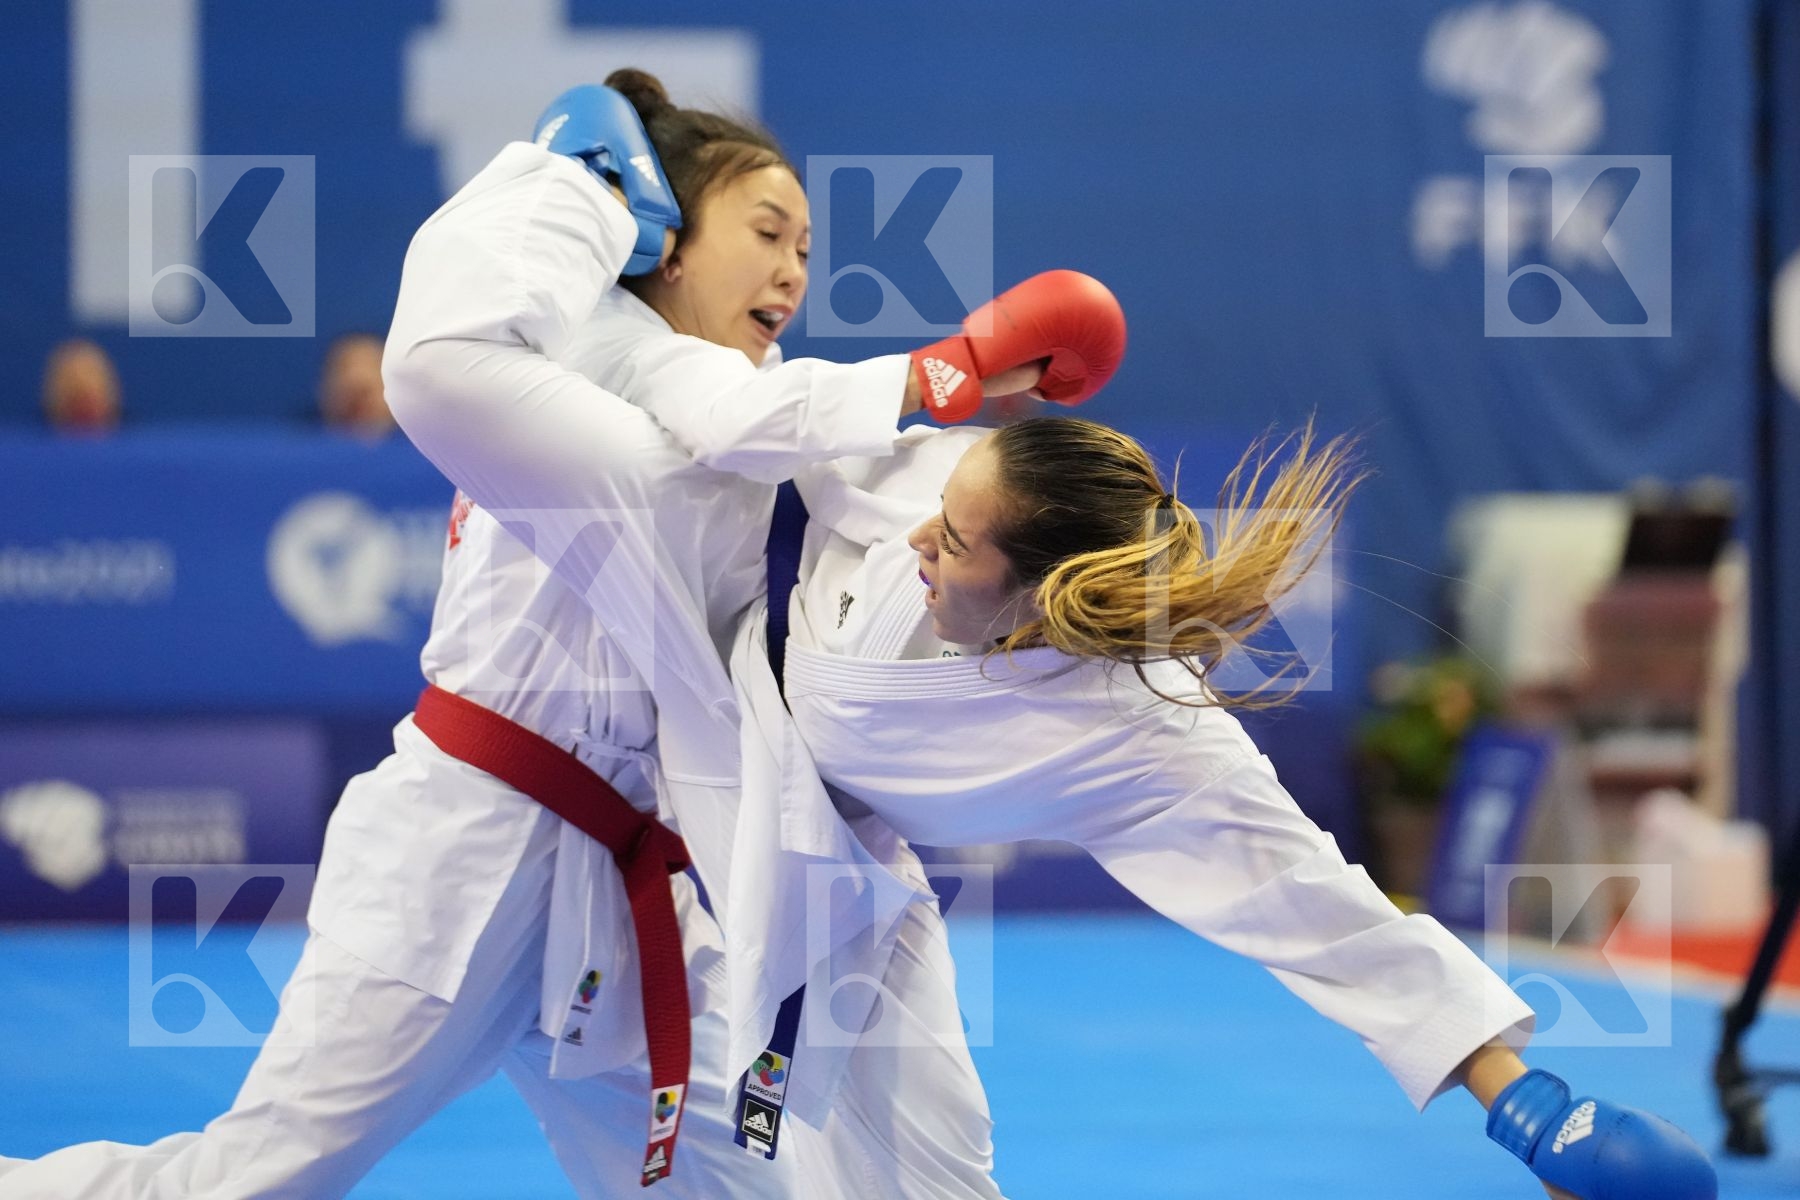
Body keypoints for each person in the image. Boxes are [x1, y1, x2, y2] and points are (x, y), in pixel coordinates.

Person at [0, 71, 1118, 1197]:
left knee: (762, 1187)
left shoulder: (763, 403)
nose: (793, 268)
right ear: (666, 246)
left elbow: (835, 458)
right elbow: (545, 349)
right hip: (467, 845)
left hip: (628, 886)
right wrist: (951, 366)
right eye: (767, 231)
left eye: (809, 248)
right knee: (256, 1180)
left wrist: (1039, 492)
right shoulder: (579, 361)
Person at [633, 407, 1720, 1199]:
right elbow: (782, 419)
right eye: (939, 520)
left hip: (829, 863)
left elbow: (1317, 906)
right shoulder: (938, 476)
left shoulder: (1138, 731)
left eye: (957, 542)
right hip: (673, 701)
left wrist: (1525, 1108)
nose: (921, 537)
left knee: (938, 1167)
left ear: (1045, 593)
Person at [317, 332, 395, 436]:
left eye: (371, 367)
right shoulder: (302, 441)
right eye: (344, 368)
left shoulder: (417, 443)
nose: (357, 379)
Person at [41, 338, 121, 434]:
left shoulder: (131, 443)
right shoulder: (36, 444)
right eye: (72, 392)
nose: (83, 388)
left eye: (91, 374)